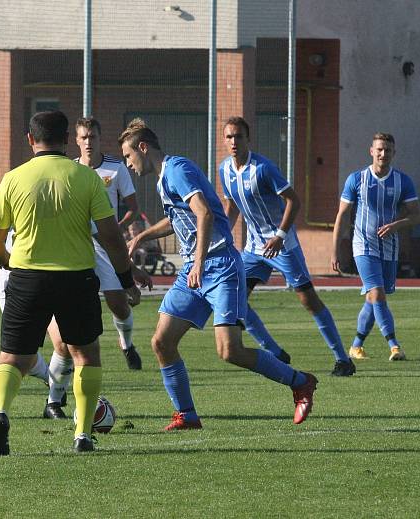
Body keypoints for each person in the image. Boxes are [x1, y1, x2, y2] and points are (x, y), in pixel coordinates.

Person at [122, 118, 318, 430]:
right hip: (194, 269)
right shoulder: (164, 178)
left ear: (143, 148)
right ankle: (186, 414)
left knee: (230, 350)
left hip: (220, 265)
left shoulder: (177, 169)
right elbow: (178, 219)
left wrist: (198, 262)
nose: (129, 164)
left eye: (129, 156)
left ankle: (300, 382)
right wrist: (140, 238)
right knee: (162, 341)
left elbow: (203, 213)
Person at [0, 111, 143, 455]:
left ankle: (0, 415)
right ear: (68, 139)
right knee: (86, 356)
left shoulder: (13, 178)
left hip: (26, 278)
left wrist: (6, 261)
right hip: (76, 279)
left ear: (30, 139)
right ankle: (83, 435)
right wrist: (127, 278)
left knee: (11, 358)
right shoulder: (86, 178)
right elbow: (113, 237)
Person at [218, 116, 355, 377]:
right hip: (253, 248)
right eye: (229, 137)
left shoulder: (263, 168)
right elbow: (232, 205)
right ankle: (275, 352)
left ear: (248, 139)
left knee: (308, 300)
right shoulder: (224, 170)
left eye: (238, 136)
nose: (233, 141)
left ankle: (342, 359)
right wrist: (222, 234)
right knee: (237, 300)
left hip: (283, 245)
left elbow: (293, 200)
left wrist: (280, 235)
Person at [0, 195, 71, 419]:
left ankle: (53, 404)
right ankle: (46, 380)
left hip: (54, 273)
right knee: (20, 352)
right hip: (14, 277)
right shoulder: (20, 180)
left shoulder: (67, 185)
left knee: (63, 342)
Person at [331, 133, 420, 361]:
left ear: (393, 153)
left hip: (390, 248)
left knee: (374, 298)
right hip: (363, 246)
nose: (383, 154)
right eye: (379, 149)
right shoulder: (356, 179)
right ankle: (394, 346)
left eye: (388, 150)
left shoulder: (403, 181)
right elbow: (342, 215)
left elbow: (416, 216)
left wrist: (395, 225)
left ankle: (356, 346)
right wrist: (334, 250)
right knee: (377, 292)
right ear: (371, 151)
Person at [75, 117, 144, 370]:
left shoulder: (116, 168)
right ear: (76, 141)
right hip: (79, 246)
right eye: (83, 137)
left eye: (92, 136)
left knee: (118, 304)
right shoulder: (71, 169)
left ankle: (126, 344)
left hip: (108, 246)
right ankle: (77, 357)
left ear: (99, 138)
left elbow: (133, 209)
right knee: (80, 304)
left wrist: (115, 229)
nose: (88, 142)